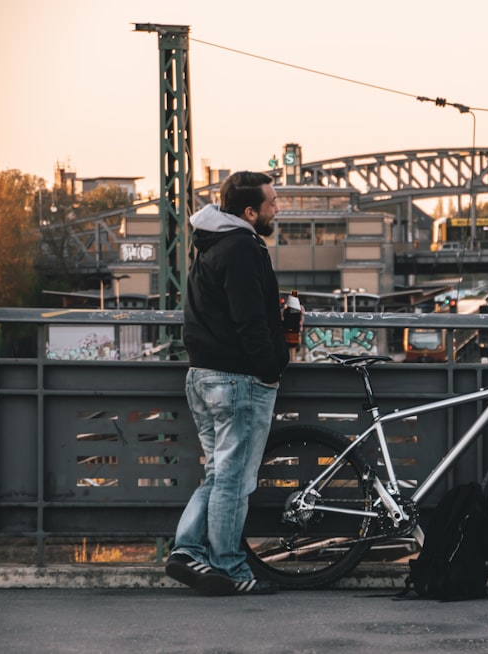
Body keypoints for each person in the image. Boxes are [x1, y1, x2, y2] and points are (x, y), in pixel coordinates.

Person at [165, 171, 293, 596]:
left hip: (202, 375)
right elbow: (248, 320)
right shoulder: (241, 248)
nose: (278, 208)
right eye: (272, 203)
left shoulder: (213, 243)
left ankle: (186, 551)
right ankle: (231, 568)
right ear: (250, 211)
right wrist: (271, 367)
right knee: (234, 481)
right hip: (237, 380)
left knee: (219, 474)